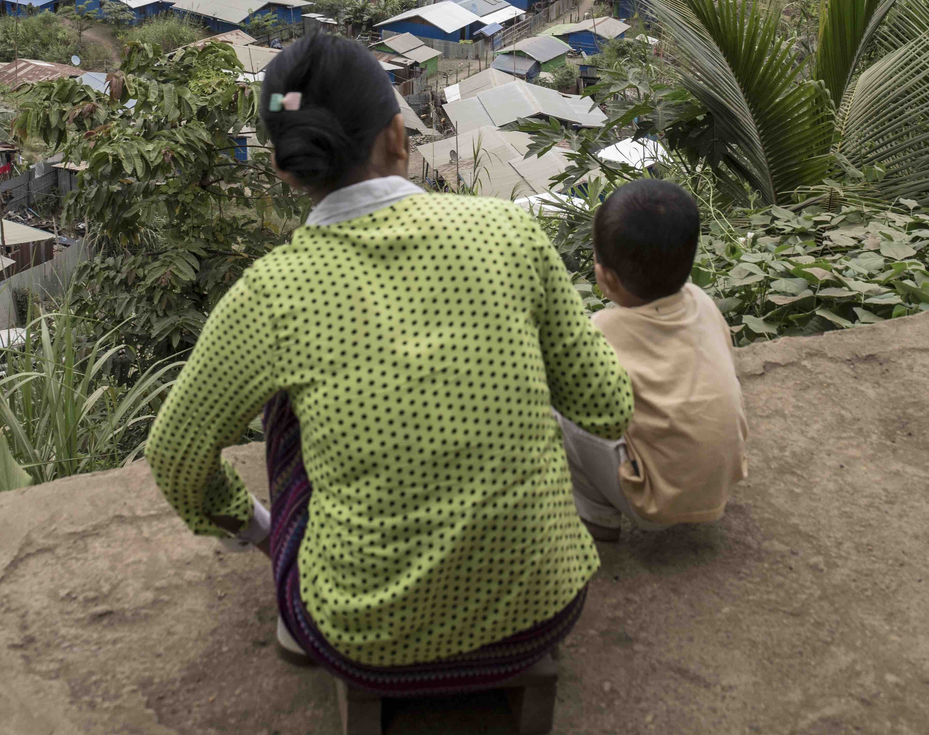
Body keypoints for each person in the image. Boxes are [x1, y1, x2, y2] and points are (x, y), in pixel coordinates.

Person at [144, 33, 634, 696]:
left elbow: (174, 455)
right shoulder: (508, 233)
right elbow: (605, 402)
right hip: (540, 615)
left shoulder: (272, 293)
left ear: (286, 170)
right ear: (399, 137)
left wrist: (257, 531)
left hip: (364, 641)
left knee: (287, 404)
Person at [557, 180, 748, 541]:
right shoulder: (702, 302)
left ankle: (597, 517)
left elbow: (586, 401)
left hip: (655, 505)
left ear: (604, 276)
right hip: (722, 480)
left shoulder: (600, 330)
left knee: (561, 411)